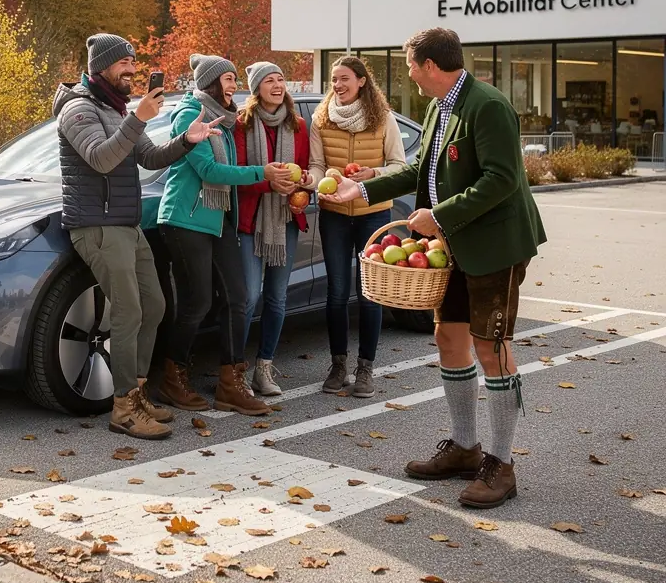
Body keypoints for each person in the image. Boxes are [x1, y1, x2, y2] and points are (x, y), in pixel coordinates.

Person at [323, 28, 546, 508]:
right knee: (449, 340)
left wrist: (440, 215)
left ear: (429, 65)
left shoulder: (486, 106)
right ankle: (466, 448)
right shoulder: (436, 107)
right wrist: (360, 191)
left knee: (492, 349)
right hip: (454, 247)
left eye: (410, 65)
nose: (408, 74)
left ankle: (501, 464)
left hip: (496, 247)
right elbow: (418, 172)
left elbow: (503, 180)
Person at [55, 33, 225, 440]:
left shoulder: (117, 109)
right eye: (123, 64)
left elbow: (147, 156)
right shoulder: (77, 109)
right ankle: (123, 408)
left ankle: (139, 390)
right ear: (101, 67)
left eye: (134, 63)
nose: (132, 71)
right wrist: (139, 118)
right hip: (97, 226)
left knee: (154, 305)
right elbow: (100, 159)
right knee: (129, 310)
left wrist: (187, 140)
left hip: (127, 225)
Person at [157, 54, 294, 414]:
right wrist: (261, 173)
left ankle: (230, 385)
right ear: (212, 82)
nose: (235, 85)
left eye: (236, 79)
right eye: (229, 79)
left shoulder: (227, 120)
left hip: (219, 221)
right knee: (197, 302)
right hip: (186, 220)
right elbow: (210, 170)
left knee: (239, 298)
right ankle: (172, 378)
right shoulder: (190, 115)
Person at [308, 55, 407, 399]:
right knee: (336, 293)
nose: (337, 85)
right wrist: (321, 183)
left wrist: (373, 176)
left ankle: (365, 369)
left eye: (344, 78)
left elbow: (398, 165)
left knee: (370, 293)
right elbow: (318, 165)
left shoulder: (383, 119)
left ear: (362, 81)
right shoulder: (321, 119)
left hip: (373, 213)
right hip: (334, 213)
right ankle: (338, 366)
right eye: (333, 79)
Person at [234, 62, 314, 396]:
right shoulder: (242, 124)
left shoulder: (297, 125)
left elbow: (306, 170)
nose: (278, 84)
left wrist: (304, 188)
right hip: (251, 220)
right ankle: (235, 370)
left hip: (285, 220)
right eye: (269, 80)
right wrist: (270, 183)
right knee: (249, 296)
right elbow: (237, 175)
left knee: (277, 297)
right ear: (256, 89)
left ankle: (263, 369)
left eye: (281, 79)